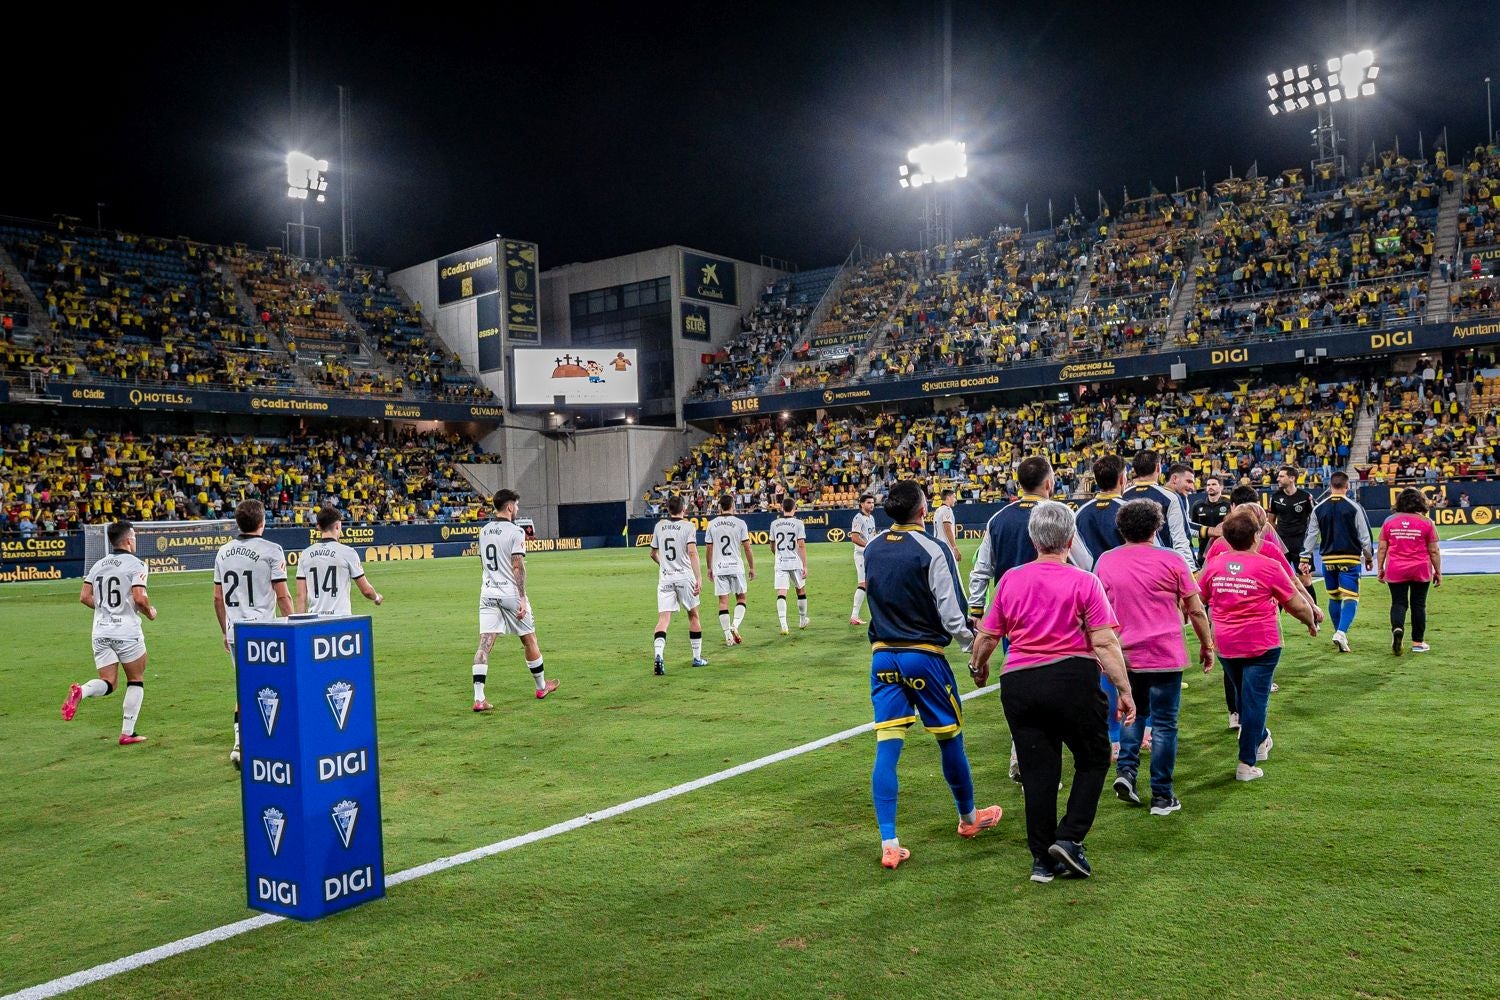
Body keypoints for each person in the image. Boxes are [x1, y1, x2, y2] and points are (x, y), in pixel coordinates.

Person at [969, 501, 1136, 883]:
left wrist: (978, 667)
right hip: (1071, 678)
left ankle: (1042, 861)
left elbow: (988, 635)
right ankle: (1070, 837)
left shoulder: (1010, 579)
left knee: (1038, 771)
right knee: (1094, 757)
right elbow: (1104, 642)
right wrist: (1124, 689)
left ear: (1033, 539)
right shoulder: (1085, 581)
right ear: (1071, 540)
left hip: (1020, 683)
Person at [864, 480, 1002, 870]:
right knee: (949, 739)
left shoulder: (872, 547)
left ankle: (889, 842)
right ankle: (969, 818)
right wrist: (974, 653)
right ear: (923, 511)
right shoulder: (933, 548)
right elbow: (953, 616)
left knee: (887, 748)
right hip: (922, 657)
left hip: (882, 658)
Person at [966, 456, 1094, 783]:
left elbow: (981, 569)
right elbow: (1086, 563)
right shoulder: (1060, 515)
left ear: (1018, 483)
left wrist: (976, 610)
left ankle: (1025, 757)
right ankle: (1040, 759)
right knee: (1058, 685)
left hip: (1014, 616)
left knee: (1023, 680)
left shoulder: (998, 519)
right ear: (1049, 483)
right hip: (1059, 616)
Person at [1095, 501, 1214, 816]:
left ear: (1121, 528)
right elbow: (1195, 609)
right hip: (1165, 654)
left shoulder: (1105, 560)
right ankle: (1162, 796)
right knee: (1164, 725)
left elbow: (1095, 611)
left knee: (1132, 713)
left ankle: (1126, 772)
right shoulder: (1172, 559)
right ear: (1156, 527)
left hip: (1124, 655)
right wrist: (1207, 645)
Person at [1201, 509, 1320, 781]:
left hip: (1226, 643)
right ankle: (1246, 762)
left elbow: (1198, 599)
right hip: (1261, 643)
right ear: (1257, 535)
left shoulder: (1214, 565)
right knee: (1255, 700)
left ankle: (1261, 737)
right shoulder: (1268, 565)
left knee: (1245, 696)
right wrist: (1310, 621)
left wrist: (1205, 635)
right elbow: (1295, 603)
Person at [214, 499, 293, 769]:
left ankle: (240, 743)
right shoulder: (272, 550)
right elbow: (282, 595)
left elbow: (217, 598)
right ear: (262, 522)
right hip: (264, 631)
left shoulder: (223, 552)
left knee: (245, 687)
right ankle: (274, 738)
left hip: (236, 631)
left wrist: (224, 631)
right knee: (274, 685)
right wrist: (295, 625)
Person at [62, 520, 156, 745]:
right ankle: (127, 733)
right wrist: (150, 612)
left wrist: (106, 609)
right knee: (135, 679)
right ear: (128, 540)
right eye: (134, 537)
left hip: (101, 631)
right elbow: (139, 598)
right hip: (126, 631)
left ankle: (82, 691)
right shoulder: (137, 565)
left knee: (109, 682)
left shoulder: (98, 565)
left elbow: (84, 597)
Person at [474, 489, 557, 707]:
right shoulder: (516, 531)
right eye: (516, 505)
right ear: (510, 507)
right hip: (509, 593)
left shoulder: (484, 531)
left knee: (484, 644)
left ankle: (479, 698)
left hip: (488, 592)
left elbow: (483, 563)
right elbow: (517, 565)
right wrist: (522, 597)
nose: (517, 509)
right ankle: (541, 687)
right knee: (529, 639)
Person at [1300, 472, 1375, 653]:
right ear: (1347, 486)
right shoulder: (1354, 507)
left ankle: (1338, 633)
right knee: (1351, 597)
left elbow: (1311, 535)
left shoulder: (1319, 508)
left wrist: (1304, 558)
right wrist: (1368, 557)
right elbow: (1364, 536)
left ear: (1330, 486)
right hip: (1349, 558)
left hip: (1328, 560)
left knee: (1334, 597)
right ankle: (1341, 633)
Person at [1378, 488, 1441, 655]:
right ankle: (1418, 643)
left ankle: (1397, 628)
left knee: (1398, 603)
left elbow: (1382, 548)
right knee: (1418, 605)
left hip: (1396, 568)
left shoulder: (1389, 521)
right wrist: (1438, 571)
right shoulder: (1427, 522)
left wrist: (1380, 568)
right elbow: (1434, 550)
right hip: (1420, 568)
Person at [650, 494, 707, 674]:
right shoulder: (688, 526)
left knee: (663, 619)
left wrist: (664, 566)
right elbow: (692, 552)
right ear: (684, 509)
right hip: (684, 577)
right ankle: (697, 658)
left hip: (666, 578)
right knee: (693, 615)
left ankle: (658, 655)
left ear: (668, 509)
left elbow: (652, 553)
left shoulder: (659, 526)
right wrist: (699, 577)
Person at [296, 506, 383, 616]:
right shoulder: (348, 552)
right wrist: (376, 597)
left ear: (319, 527)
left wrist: (299, 623)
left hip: (315, 620)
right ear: (337, 525)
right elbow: (366, 591)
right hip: (340, 619)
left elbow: (301, 596)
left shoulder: (305, 554)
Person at [1121, 450, 1194, 568]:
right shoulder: (1170, 497)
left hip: (1128, 565)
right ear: (1158, 467)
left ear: (1134, 470)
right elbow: (1180, 539)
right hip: (1162, 565)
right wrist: (1190, 569)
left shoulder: (1123, 496)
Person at [705, 494, 754, 647]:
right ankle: (735, 625)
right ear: (733, 506)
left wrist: (709, 568)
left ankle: (727, 636)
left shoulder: (711, 524)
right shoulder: (740, 523)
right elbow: (747, 547)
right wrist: (752, 567)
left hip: (719, 568)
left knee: (723, 602)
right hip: (736, 567)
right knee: (741, 598)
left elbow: (709, 548)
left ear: (719, 506)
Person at [1268, 464, 1316, 604]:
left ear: (1292, 478)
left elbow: (1314, 520)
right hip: (1282, 545)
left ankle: (1314, 613)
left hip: (1302, 544)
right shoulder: (1275, 497)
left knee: (1305, 580)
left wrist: (1310, 540)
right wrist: (1276, 540)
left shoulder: (1305, 497)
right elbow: (1271, 521)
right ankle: (1277, 615)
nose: (1278, 479)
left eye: (1281, 476)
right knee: (1279, 581)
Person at [770, 496, 809, 634]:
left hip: (781, 562)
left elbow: (772, 545)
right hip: (795, 561)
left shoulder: (774, 524)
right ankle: (802, 620)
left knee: (782, 593)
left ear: (782, 508)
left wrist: (778, 555)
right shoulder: (798, 523)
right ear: (795, 508)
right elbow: (801, 545)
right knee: (800, 590)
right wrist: (805, 565)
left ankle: (784, 625)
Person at [1073, 455, 1126, 558]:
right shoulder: (1130, 510)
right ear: (1122, 479)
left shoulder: (1079, 513)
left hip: (1091, 568)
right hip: (1124, 567)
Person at [1190, 474, 1232, 568]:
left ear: (1221, 487)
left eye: (1214, 484)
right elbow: (1193, 530)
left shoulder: (1228, 504)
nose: (1210, 487)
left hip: (1224, 547)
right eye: (1208, 485)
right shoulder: (1198, 505)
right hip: (1203, 549)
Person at [849, 493, 877, 626]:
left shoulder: (871, 518)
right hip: (861, 555)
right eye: (868, 503)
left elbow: (871, 535)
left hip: (870, 554)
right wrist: (868, 545)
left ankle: (874, 614)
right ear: (861, 504)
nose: (871, 505)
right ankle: (854, 616)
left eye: (872, 503)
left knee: (871, 583)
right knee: (863, 584)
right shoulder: (858, 518)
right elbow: (854, 538)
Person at [932, 487, 961, 566]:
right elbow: (947, 528)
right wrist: (954, 547)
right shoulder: (947, 510)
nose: (955, 500)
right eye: (954, 497)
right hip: (945, 548)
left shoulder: (938, 510)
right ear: (948, 498)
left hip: (938, 547)